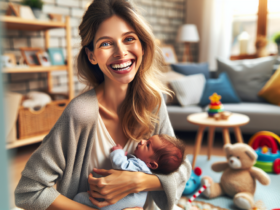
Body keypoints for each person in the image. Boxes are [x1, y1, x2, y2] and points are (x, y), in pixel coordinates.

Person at [15, 0, 191, 210]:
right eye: (106, 43)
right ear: (92, 55)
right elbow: (28, 190)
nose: (121, 52)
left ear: (142, 46)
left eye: (129, 39)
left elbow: (181, 168)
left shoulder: (153, 102)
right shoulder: (81, 113)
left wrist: (138, 182)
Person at [74, 134, 186, 209]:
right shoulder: (147, 171)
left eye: (147, 145)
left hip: (116, 204)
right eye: (147, 139)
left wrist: (118, 152)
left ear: (152, 164)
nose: (142, 141)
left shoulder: (141, 167)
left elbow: (121, 165)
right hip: (132, 205)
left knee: (79, 198)